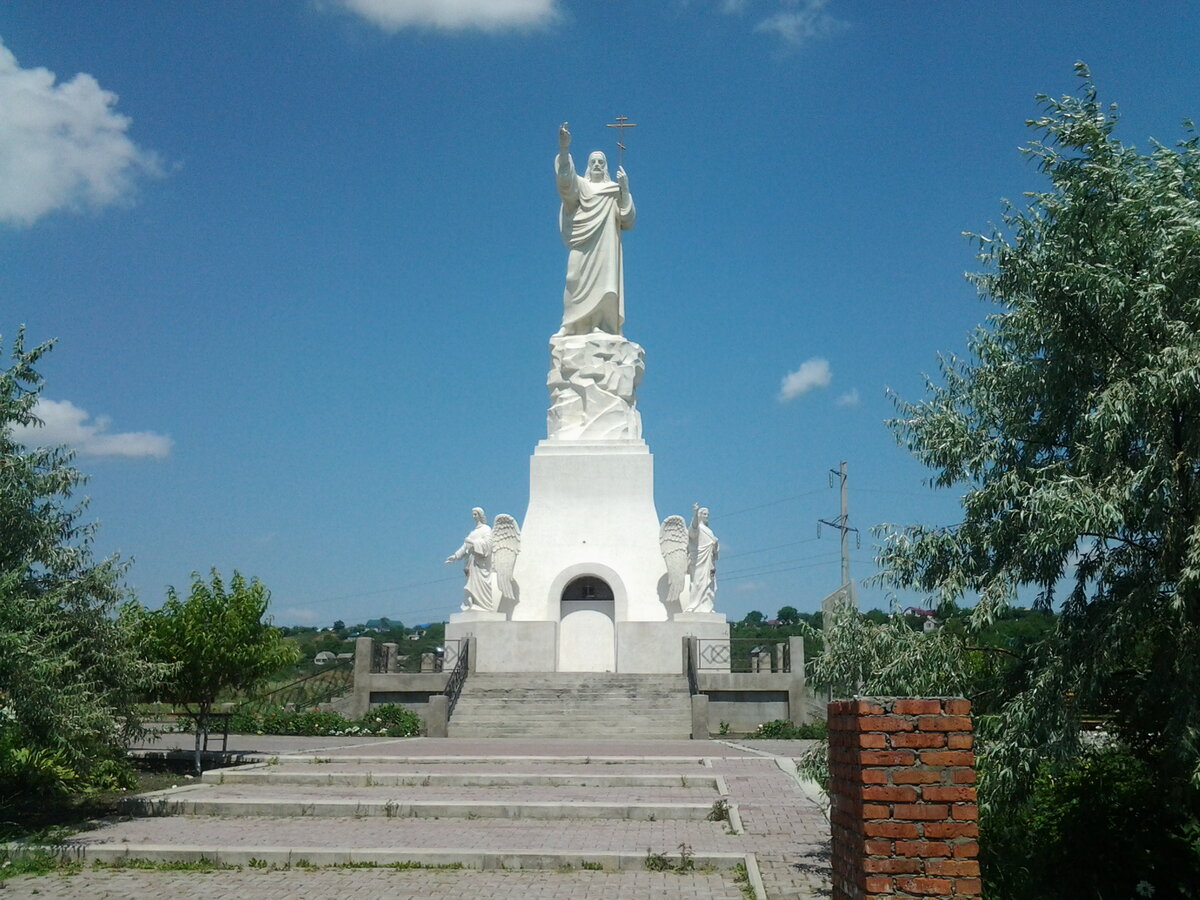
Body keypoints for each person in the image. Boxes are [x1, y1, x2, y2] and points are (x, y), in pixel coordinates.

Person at [555, 122, 636, 336]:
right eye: (594, 162)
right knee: (573, 277)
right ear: (588, 166)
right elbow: (566, 183)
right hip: (583, 240)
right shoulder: (583, 186)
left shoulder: (613, 191)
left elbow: (627, 219)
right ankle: (570, 324)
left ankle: (601, 324)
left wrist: (625, 189)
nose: (598, 165)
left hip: (606, 244)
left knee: (605, 285)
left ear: (606, 166)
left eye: (601, 162)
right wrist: (564, 150)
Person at [445, 507, 494, 611]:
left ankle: (483, 606)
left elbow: (488, 545)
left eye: (475, 514)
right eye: (473, 514)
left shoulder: (486, 529)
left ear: (480, 515)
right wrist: (455, 556)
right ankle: (471, 605)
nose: (473, 516)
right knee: (470, 585)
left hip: (480, 563)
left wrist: (473, 543)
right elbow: (464, 547)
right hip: (470, 563)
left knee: (481, 584)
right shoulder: (472, 532)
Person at [686, 503, 719, 613]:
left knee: (710, 584)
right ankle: (693, 606)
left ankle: (707, 607)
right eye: (704, 514)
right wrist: (695, 513)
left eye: (707, 514)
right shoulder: (697, 528)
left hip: (709, 560)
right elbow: (693, 529)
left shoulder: (709, 530)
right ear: (700, 515)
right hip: (699, 560)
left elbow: (714, 549)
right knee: (698, 582)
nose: (706, 516)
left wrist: (715, 544)